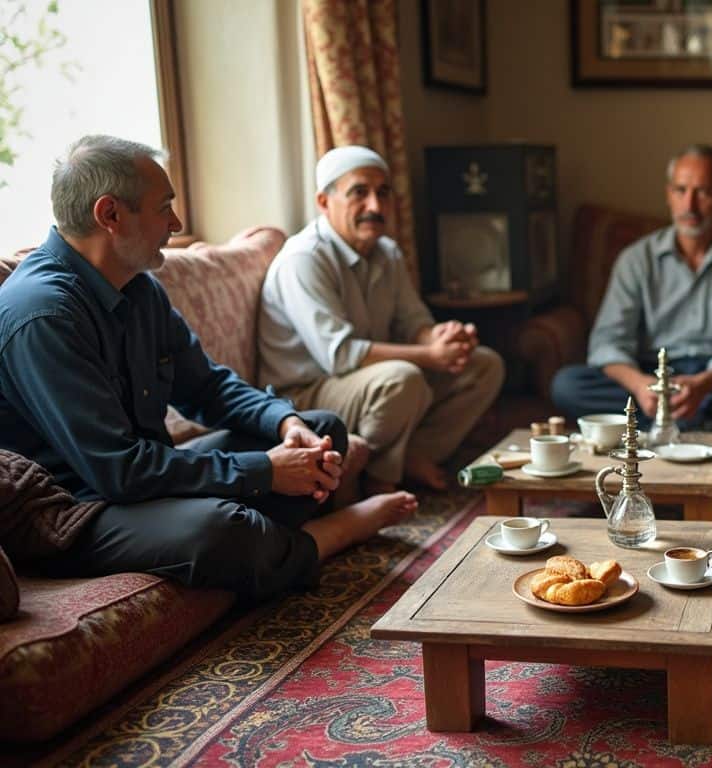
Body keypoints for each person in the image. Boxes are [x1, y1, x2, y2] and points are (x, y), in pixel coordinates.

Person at [0, 135, 417, 599]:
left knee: (322, 432)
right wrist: (264, 471)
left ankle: (267, 543)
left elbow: (209, 388)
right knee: (220, 529)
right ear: (110, 215)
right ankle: (330, 535)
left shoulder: (138, 287)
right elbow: (117, 471)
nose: (176, 223)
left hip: (143, 484)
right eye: (165, 208)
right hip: (79, 510)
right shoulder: (43, 315)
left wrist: (285, 422)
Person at [257, 146, 504, 492]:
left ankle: (408, 458)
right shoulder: (304, 259)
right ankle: (376, 482)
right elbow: (340, 356)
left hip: (365, 381)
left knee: (484, 365)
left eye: (383, 193)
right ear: (324, 202)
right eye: (360, 192)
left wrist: (443, 338)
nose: (375, 206)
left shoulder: (387, 252)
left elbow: (413, 322)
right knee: (404, 378)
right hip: (306, 392)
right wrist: (430, 356)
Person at [549, 144, 712, 451]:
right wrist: (639, 385)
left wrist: (702, 385)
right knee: (567, 385)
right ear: (668, 194)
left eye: (703, 192)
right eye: (680, 190)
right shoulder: (636, 259)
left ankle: (660, 427)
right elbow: (607, 341)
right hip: (648, 375)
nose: (690, 204)